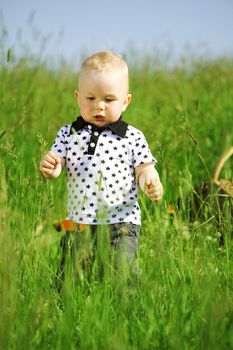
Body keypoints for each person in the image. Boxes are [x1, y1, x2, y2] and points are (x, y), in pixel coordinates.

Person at [39, 51, 163, 285]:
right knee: (69, 277)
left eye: (108, 99)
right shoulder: (69, 133)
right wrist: (52, 168)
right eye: (90, 98)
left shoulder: (132, 136)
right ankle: (65, 312)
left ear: (125, 101)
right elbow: (58, 164)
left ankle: (125, 314)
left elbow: (144, 167)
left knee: (120, 274)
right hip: (79, 222)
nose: (99, 106)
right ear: (78, 97)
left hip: (121, 222)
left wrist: (151, 180)